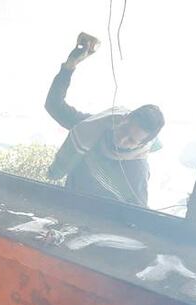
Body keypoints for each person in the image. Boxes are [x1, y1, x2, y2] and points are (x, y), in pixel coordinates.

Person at [44, 33, 165, 207]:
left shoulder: (136, 170)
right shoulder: (93, 128)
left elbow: (136, 217)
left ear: (140, 145)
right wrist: (69, 66)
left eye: (131, 140)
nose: (121, 140)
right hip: (66, 209)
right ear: (123, 119)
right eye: (124, 130)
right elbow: (54, 106)